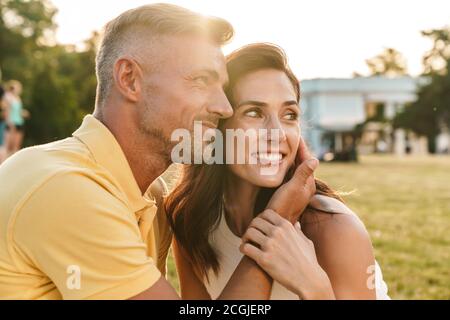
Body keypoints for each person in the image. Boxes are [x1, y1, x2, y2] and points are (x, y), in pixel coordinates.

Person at [0, 4, 318, 300]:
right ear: (130, 79)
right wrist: (276, 222)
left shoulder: (151, 193)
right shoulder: (67, 189)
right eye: (201, 80)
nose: (223, 107)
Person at [165, 43, 390, 300]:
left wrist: (316, 289)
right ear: (217, 126)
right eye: (253, 112)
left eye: (289, 115)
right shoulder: (191, 218)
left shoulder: (333, 227)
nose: (277, 133)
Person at [3, 80, 29, 157]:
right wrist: (9, 122)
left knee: (16, 146)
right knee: (8, 145)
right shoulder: (8, 97)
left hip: (19, 122)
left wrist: (23, 112)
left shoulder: (18, 98)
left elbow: (17, 110)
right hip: (12, 123)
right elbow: (7, 111)